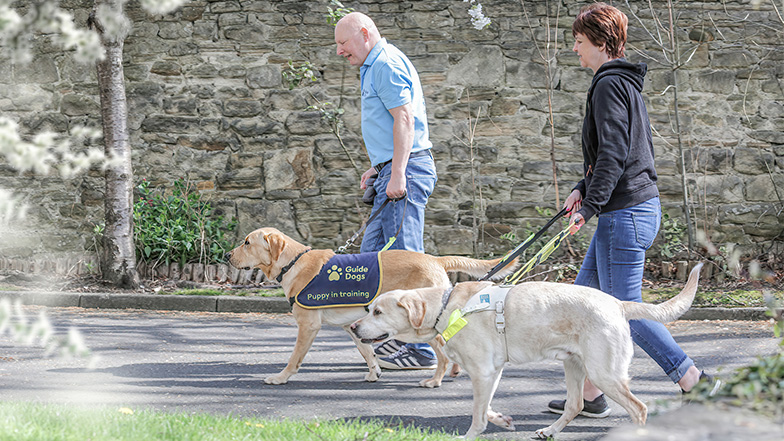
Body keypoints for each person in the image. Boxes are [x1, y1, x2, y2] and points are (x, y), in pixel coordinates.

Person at [548, 2, 720, 417]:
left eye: (579, 41)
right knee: (584, 302)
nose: (575, 49)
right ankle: (590, 394)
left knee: (624, 309)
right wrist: (581, 188)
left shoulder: (609, 84)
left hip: (625, 214)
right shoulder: (622, 82)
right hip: (629, 210)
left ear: (601, 43)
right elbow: (614, 155)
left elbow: (614, 154)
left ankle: (694, 380)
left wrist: (588, 206)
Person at [334, 12, 438, 370]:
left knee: (408, 265)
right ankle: (390, 339)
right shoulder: (373, 63)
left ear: (364, 35)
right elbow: (392, 125)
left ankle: (424, 349)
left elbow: (404, 119)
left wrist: (396, 173)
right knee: (372, 261)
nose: (338, 51)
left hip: (406, 171)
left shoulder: (386, 63)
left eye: (343, 43)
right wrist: (380, 166)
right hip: (392, 168)